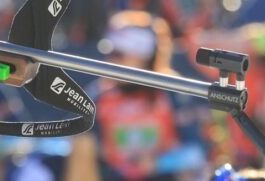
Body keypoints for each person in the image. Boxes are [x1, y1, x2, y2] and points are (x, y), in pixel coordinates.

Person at [64, 10, 208, 181]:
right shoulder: (99, 95)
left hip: (164, 176)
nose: (110, 61)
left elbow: (196, 153)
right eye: (110, 54)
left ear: (142, 57)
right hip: (115, 176)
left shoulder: (172, 93)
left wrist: (158, 163)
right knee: (81, 145)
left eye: (119, 55)